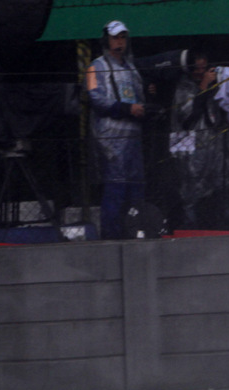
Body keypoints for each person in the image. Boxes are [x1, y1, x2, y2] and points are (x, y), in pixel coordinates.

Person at [87, 20, 147, 240]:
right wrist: (126, 108)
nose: (119, 41)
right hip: (111, 140)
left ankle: (135, 232)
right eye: (115, 37)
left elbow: (140, 97)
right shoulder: (95, 67)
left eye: (122, 37)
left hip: (133, 138)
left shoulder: (132, 68)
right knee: (115, 190)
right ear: (106, 40)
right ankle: (111, 238)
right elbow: (95, 99)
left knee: (136, 191)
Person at [170, 52, 229, 230]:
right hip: (192, 151)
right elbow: (187, 117)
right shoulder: (184, 88)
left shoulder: (216, 85)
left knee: (224, 189)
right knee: (192, 192)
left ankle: (226, 225)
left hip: (215, 149)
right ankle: (190, 226)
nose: (202, 72)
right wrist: (203, 87)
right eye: (198, 69)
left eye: (205, 68)